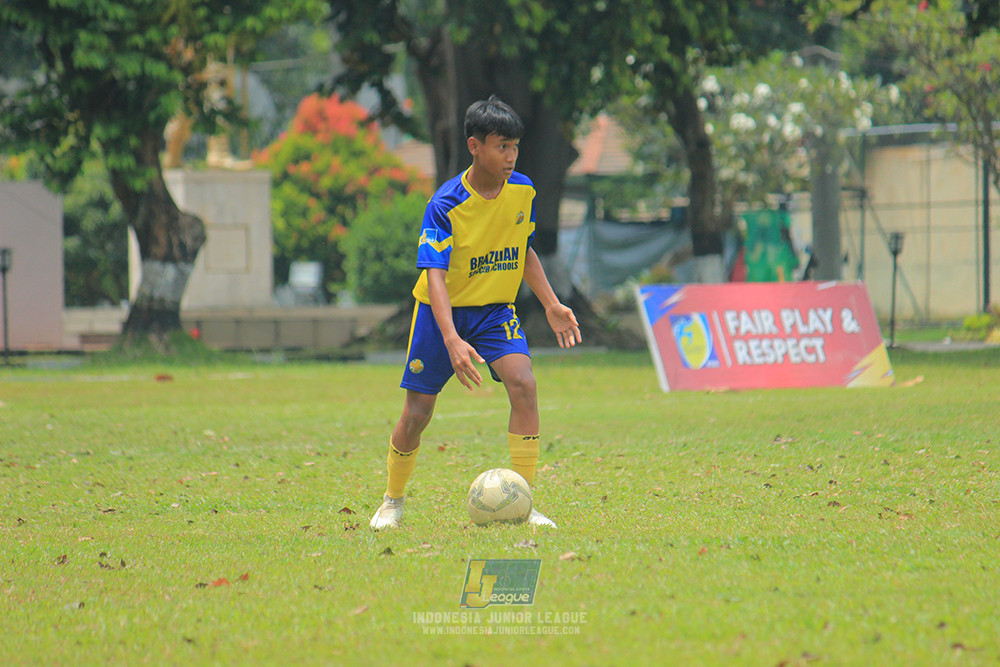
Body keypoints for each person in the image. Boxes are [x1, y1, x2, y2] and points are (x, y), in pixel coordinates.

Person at [369, 95, 582, 530]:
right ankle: (392, 500)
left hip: (494, 312)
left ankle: (522, 503)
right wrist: (450, 339)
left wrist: (551, 303)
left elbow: (523, 251)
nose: (511, 156)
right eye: (501, 146)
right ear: (474, 146)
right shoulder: (445, 204)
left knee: (524, 384)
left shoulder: (523, 190)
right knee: (417, 414)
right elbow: (434, 276)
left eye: (515, 147)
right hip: (439, 315)